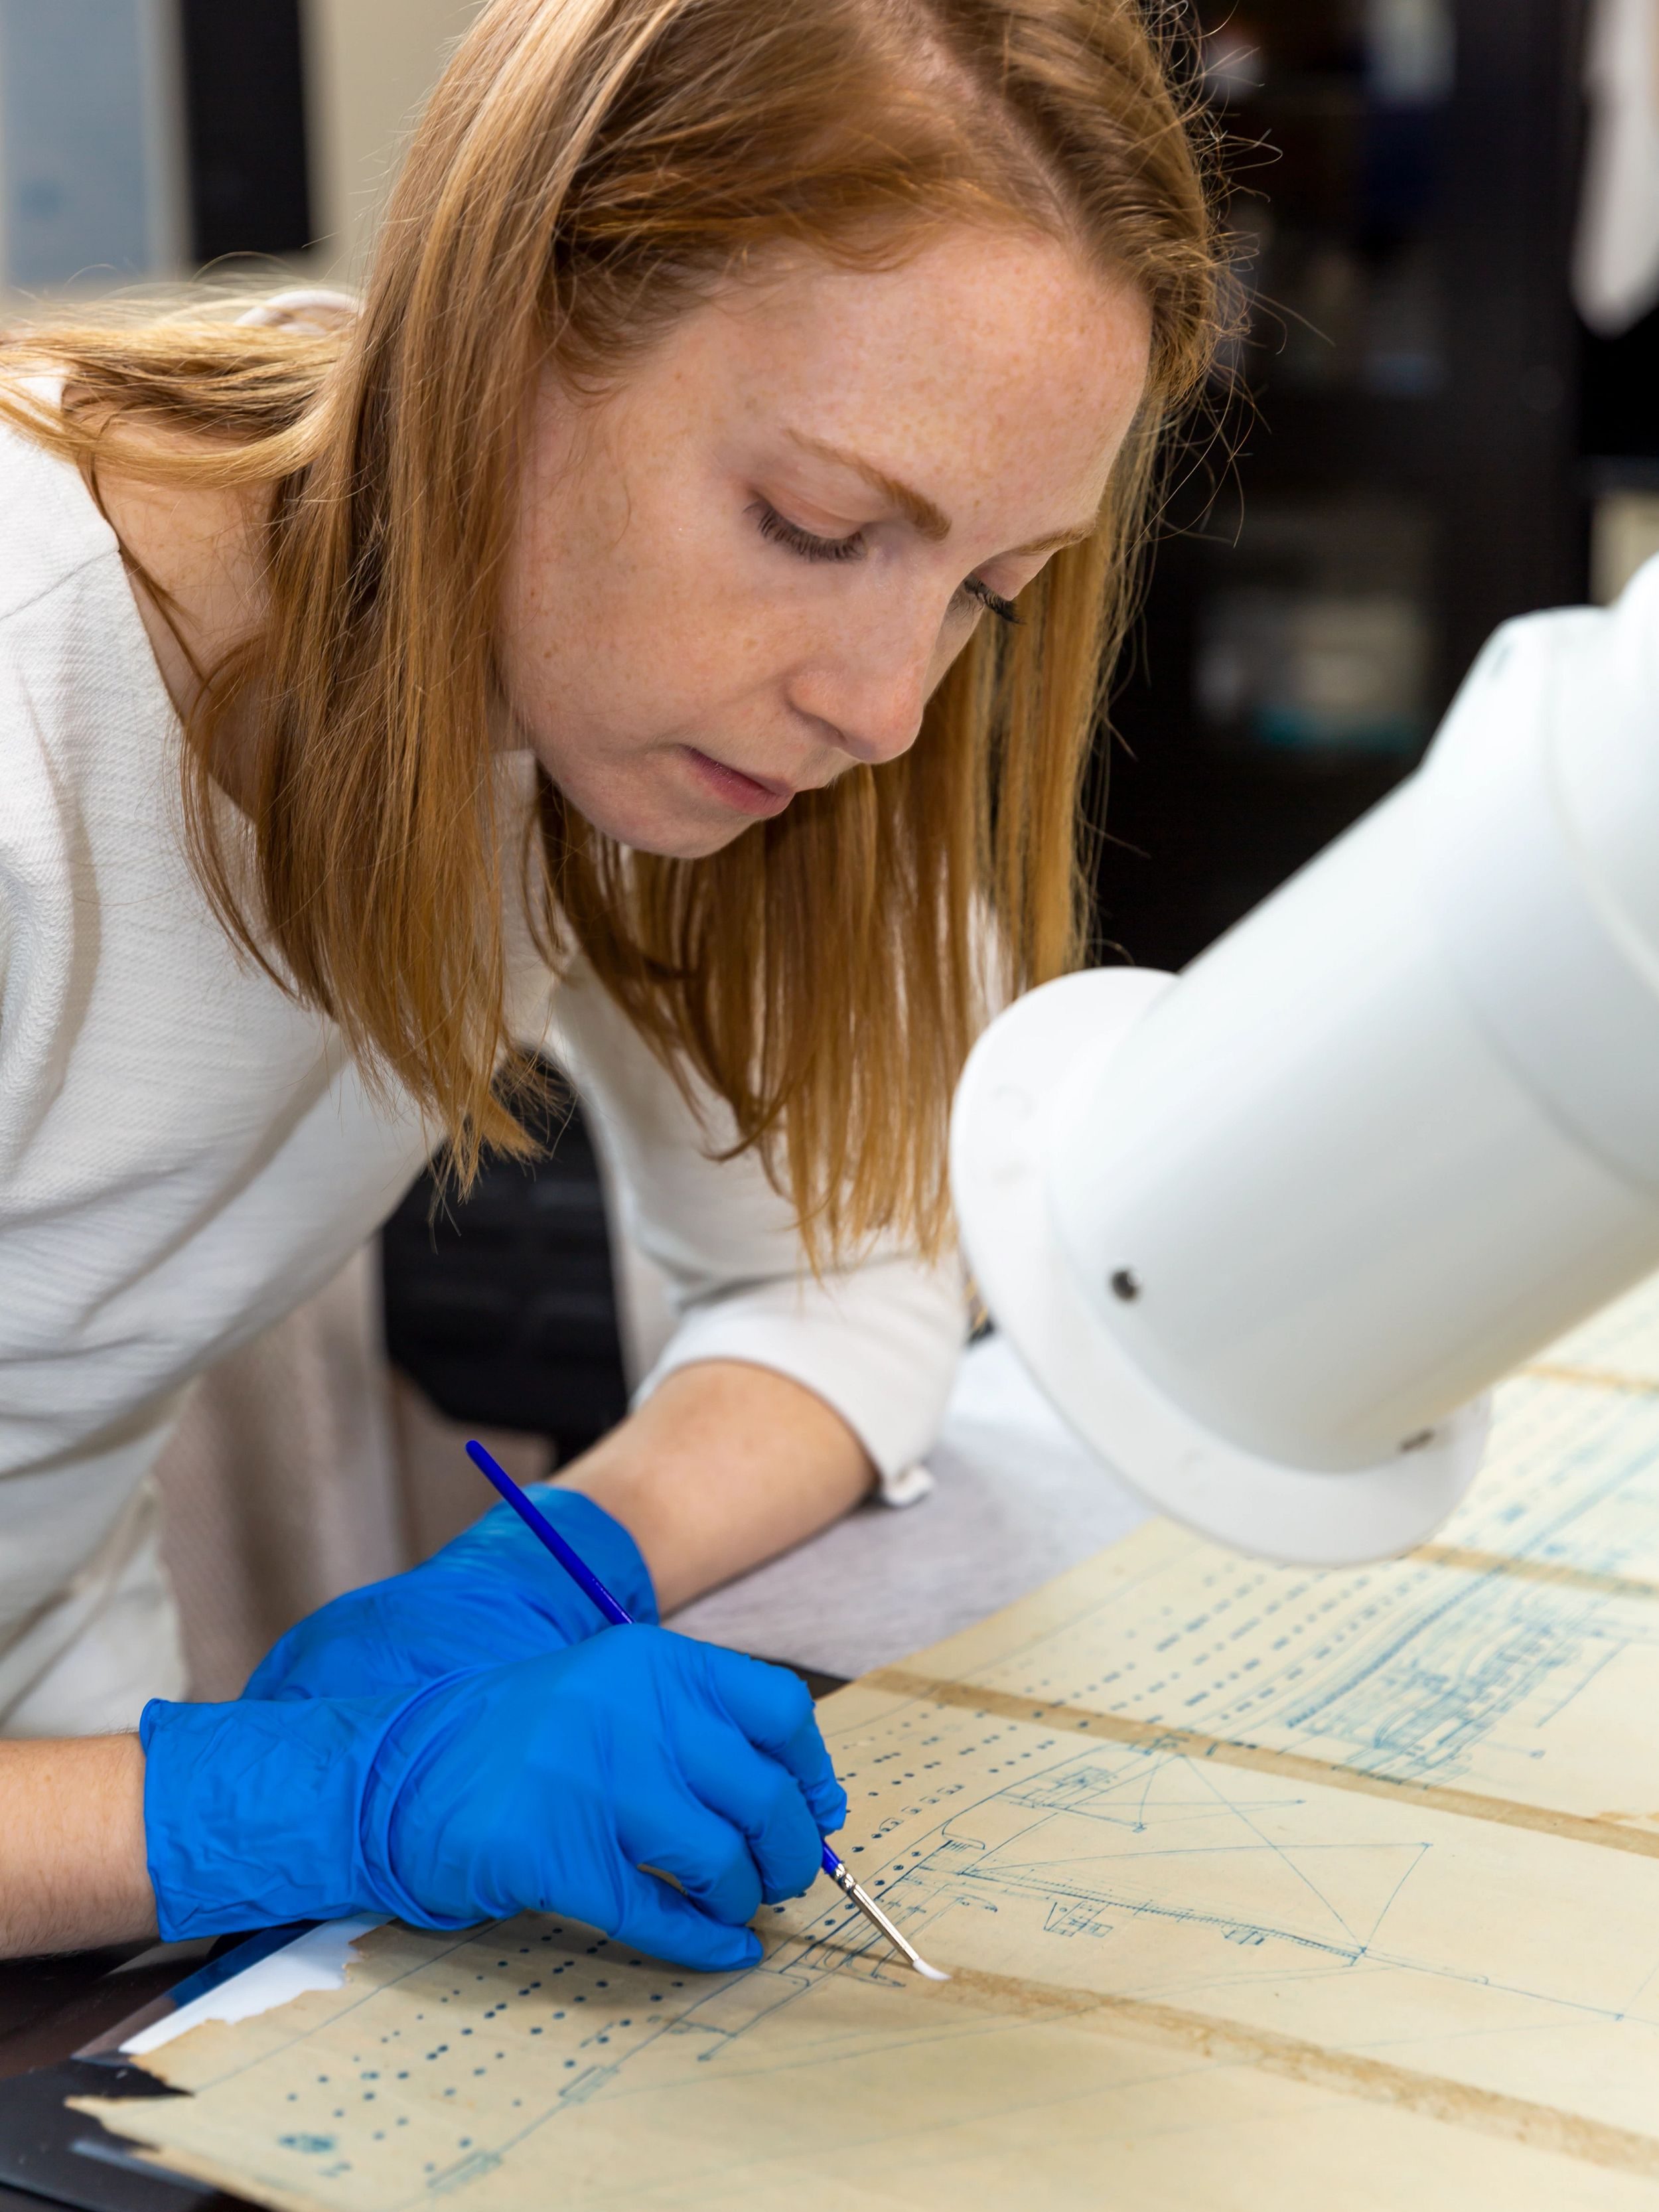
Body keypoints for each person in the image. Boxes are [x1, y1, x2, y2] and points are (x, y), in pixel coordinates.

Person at [0, 0, 1220, 1965]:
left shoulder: (638, 705)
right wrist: (323, 1799)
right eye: (816, 527)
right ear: (507, 340)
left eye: (985, 589)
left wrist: (563, 1558)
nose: (887, 704)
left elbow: (859, 1257)